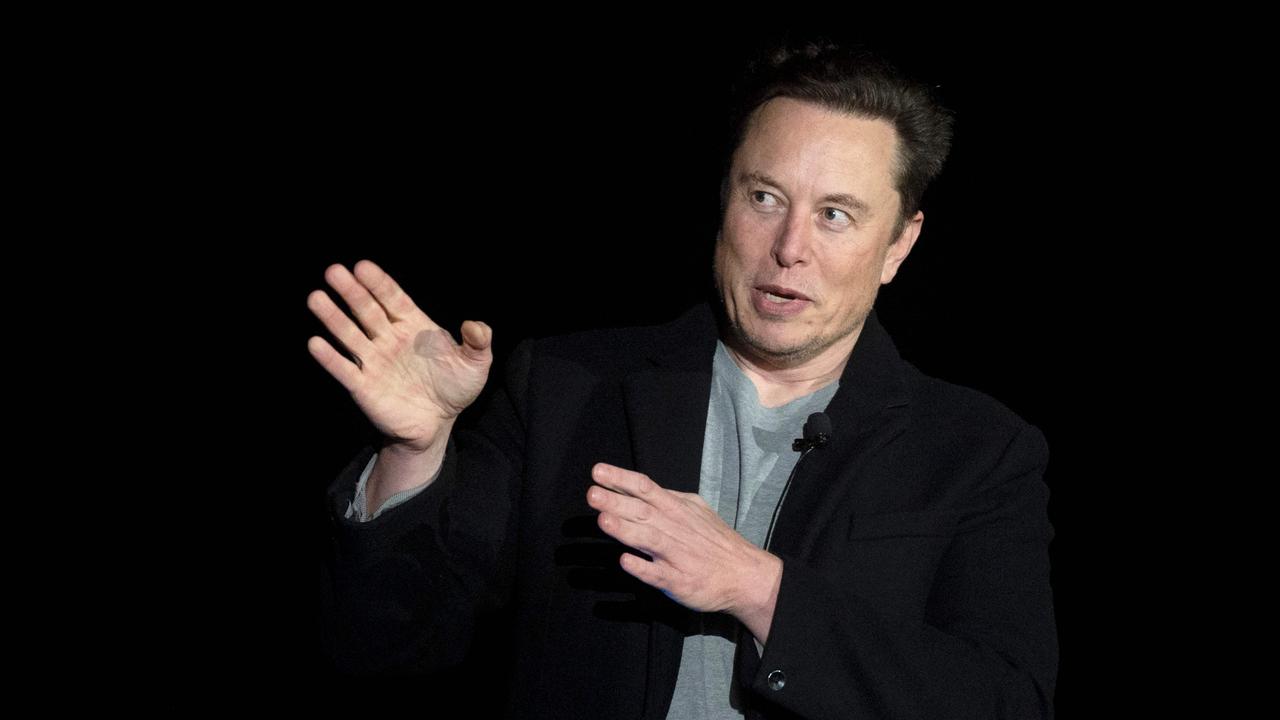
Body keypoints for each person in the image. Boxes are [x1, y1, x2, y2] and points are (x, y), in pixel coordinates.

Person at [309, 39, 1056, 719]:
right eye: (764, 197)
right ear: (724, 198)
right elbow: (383, 647)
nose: (789, 247)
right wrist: (414, 453)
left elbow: (1005, 701)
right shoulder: (567, 387)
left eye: (836, 215)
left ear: (899, 245)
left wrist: (759, 588)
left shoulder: (978, 451)